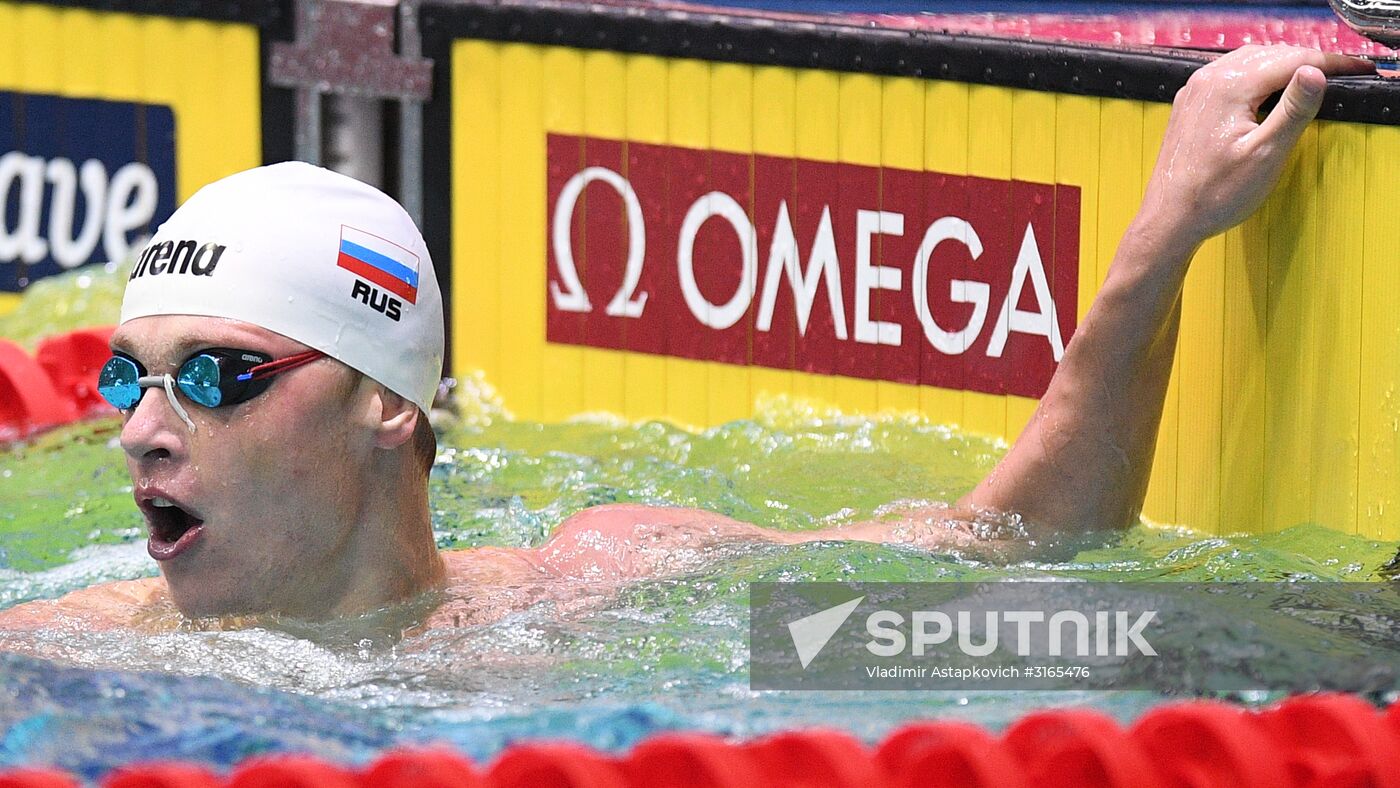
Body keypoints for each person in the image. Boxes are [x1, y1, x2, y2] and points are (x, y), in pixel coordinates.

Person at [0, 44, 1374, 632]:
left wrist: (1165, 238)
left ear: (389, 406)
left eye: (219, 375)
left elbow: (1026, 545)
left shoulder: (610, 581)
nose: (138, 427)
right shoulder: (85, 643)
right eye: (129, 374)